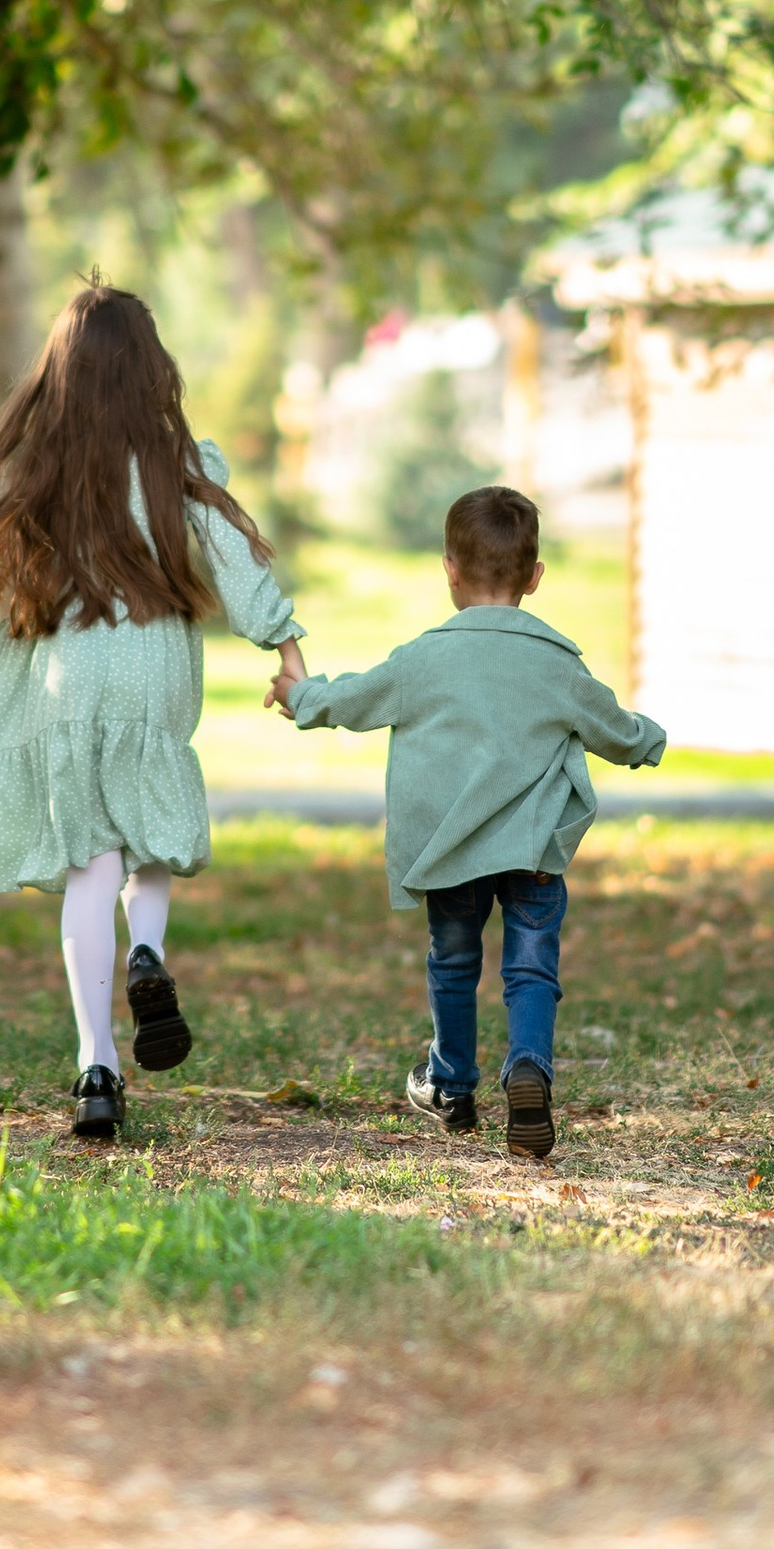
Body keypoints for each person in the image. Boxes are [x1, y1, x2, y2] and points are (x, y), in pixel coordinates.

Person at [0, 281, 304, 1141]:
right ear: (151, 373)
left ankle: (98, 1068)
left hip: (71, 675)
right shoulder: (179, 467)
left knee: (91, 866)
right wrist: (286, 650)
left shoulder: (41, 471)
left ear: (59, 375)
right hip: (154, 674)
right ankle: (149, 952)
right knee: (149, 835)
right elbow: (239, 568)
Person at [272, 485, 663, 1160]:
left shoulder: (420, 659)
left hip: (451, 850)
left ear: (449, 570)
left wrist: (301, 694)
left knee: (453, 962)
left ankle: (451, 1086)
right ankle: (529, 1067)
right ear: (535, 577)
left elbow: (353, 700)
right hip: (532, 849)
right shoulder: (557, 663)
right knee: (531, 965)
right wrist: (651, 738)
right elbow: (618, 732)